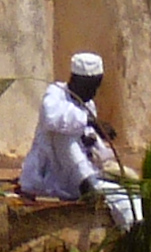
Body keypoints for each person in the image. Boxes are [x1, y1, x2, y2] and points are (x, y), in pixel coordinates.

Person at [17, 51, 140, 226]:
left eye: (96, 87)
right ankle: (88, 186)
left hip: (76, 175)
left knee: (129, 194)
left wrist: (93, 141)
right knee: (63, 136)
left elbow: (87, 137)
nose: (94, 92)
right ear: (76, 81)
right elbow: (52, 118)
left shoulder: (88, 104)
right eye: (90, 87)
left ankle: (135, 227)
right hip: (49, 176)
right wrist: (92, 122)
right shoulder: (56, 92)